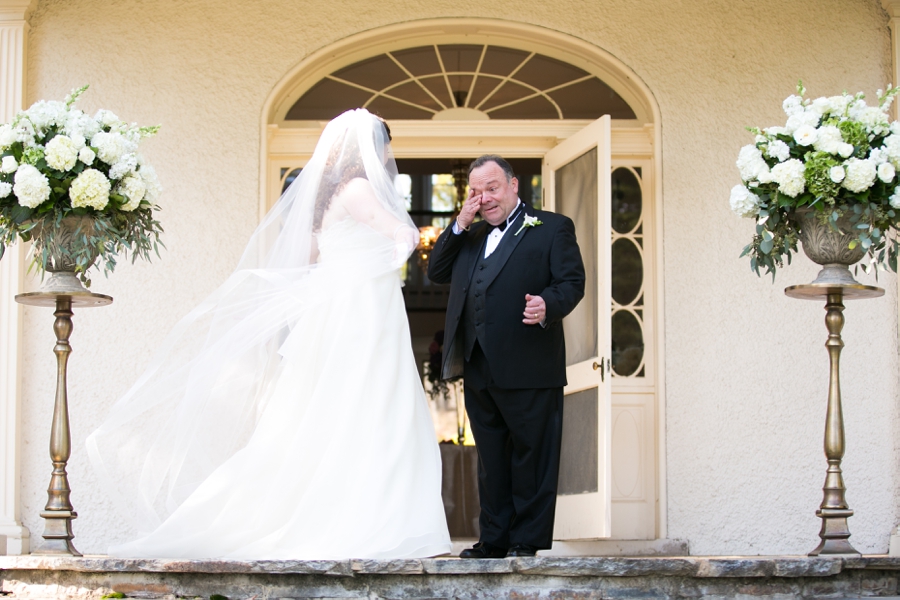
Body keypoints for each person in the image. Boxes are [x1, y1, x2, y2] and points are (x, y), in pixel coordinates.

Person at [86, 109, 451, 559]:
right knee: (373, 402)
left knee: (336, 407)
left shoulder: (326, 195)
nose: (388, 155)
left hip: (340, 309)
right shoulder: (358, 189)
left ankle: (353, 512)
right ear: (368, 150)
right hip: (363, 309)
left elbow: (311, 258)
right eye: (384, 145)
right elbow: (402, 233)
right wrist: (403, 243)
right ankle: (375, 521)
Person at [427, 155, 585, 558]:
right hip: (479, 366)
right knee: (491, 458)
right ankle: (494, 539)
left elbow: (571, 281)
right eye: (476, 192)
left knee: (532, 455)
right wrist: (461, 222)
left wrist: (548, 305)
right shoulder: (471, 235)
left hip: (530, 363)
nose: (485, 198)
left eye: (492, 188)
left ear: (514, 185)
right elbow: (436, 271)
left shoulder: (552, 227)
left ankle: (526, 540)